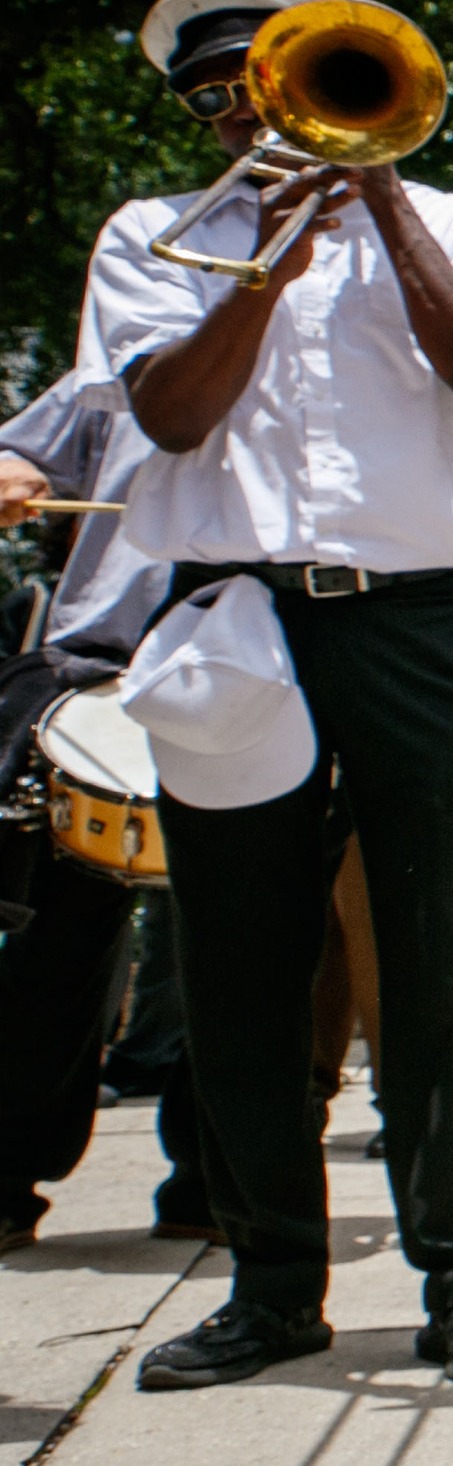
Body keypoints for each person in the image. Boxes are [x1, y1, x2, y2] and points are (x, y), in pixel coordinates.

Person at [90, 0, 453, 1393]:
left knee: (436, 957)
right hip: (237, 620)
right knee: (238, 962)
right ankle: (271, 1281)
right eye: (212, 94)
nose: (245, 108)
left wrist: (382, 193)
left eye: (271, 74)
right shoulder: (157, 237)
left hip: (412, 620)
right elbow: (169, 413)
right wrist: (263, 276)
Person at [0, 377, 203, 1247]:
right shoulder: (126, 358)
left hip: (261, 672)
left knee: (248, 951)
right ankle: (7, 1173)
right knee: (53, 948)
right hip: (97, 673)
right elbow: (26, 449)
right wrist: (12, 470)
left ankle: (218, 1179)